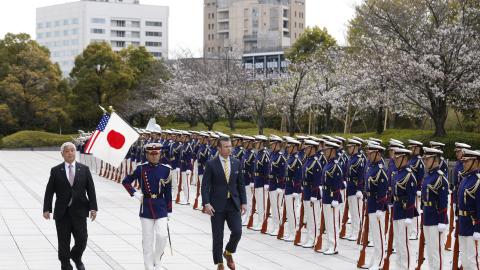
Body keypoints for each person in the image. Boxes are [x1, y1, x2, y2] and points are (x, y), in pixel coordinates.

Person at [43, 142, 98, 270]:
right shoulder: (56, 170)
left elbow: (91, 190)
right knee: (63, 241)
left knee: (82, 239)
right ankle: (65, 264)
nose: (70, 153)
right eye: (67, 151)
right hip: (62, 213)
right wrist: (47, 209)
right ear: (62, 154)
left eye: (72, 150)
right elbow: (49, 191)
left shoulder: (84, 169)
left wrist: (93, 208)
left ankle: (76, 256)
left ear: (75, 152)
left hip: (79, 212)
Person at [121, 143, 173, 270]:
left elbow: (168, 192)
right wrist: (134, 193)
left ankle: (157, 260)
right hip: (146, 207)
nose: (154, 156)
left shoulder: (166, 169)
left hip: (161, 206)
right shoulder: (141, 168)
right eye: (151, 154)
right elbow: (125, 181)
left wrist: (169, 210)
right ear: (147, 154)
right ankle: (148, 266)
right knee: (148, 239)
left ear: (160, 154)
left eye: (156, 154)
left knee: (162, 235)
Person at [201, 136, 247, 270]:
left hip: (233, 203)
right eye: (226, 146)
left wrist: (244, 202)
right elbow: (205, 186)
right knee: (218, 235)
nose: (229, 149)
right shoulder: (211, 164)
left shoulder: (236, 162)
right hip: (216, 205)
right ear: (219, 148)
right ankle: (219, 263)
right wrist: (206, 203)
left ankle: (228, 252)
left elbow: (241, 184)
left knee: (237, 231)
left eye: (230, 146)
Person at [421, 147, 449, 270]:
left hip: (436, 219)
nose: (425, 161)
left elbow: (443, 202)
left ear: (436, 160)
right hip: (428, 216)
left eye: (428, 159)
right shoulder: (428, 176)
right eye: (425, 159)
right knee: (430, 251)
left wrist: (442, 221)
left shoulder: (440, 178)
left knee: (437, 252)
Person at [457, 149, 480, 270]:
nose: (464, 163)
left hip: (472, 225)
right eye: (463, 161)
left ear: (476, 162)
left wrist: (478, 229)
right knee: (464, 259)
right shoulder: (465, 178)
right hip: (463, 223)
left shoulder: (478, 180)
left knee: (472, 260)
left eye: (467, 161)